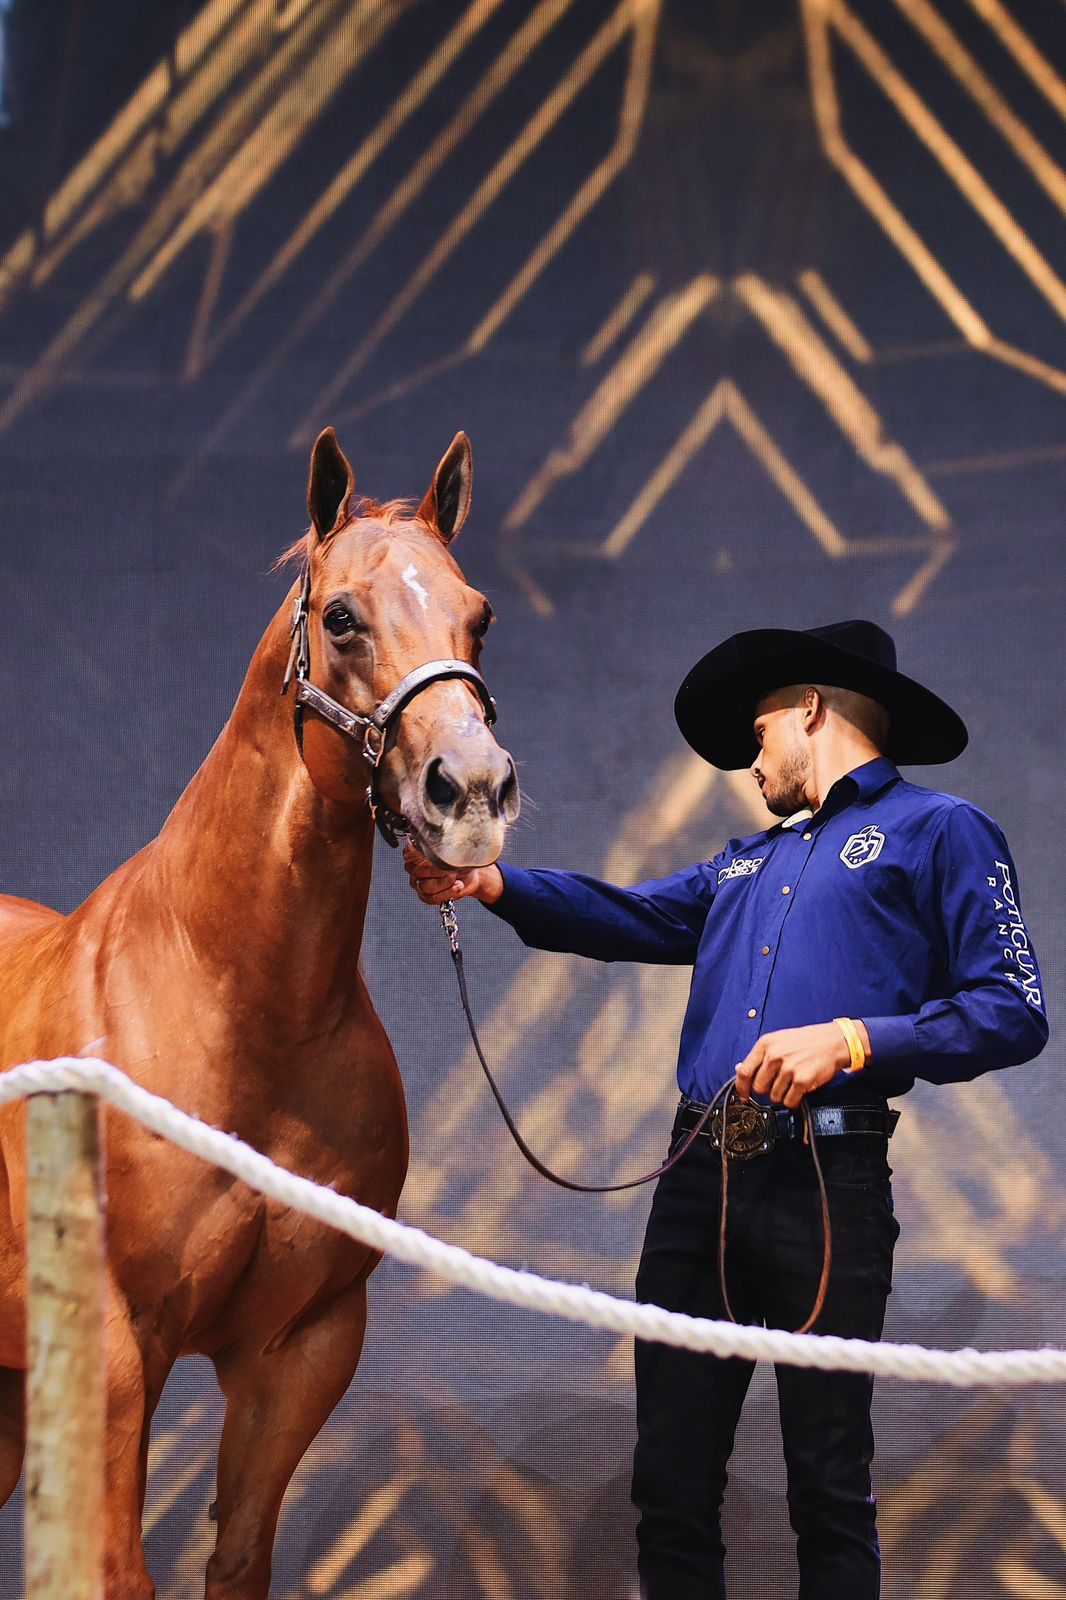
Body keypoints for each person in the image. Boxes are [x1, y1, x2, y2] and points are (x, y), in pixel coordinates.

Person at [403, 619, 1048, 1600]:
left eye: (757, 732)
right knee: (670, 1485)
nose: (750, 757)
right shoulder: (743, 861)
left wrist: (856, 1039)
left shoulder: (939, 829)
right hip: (698, 1177)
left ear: (810, 710)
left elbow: (1014, 1006)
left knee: (827, 1487)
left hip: (826, 1179)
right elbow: (629, 915)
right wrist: (490, 882)